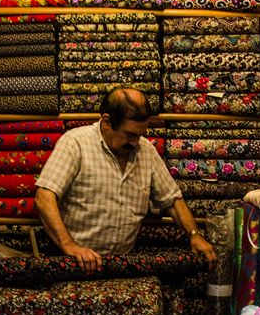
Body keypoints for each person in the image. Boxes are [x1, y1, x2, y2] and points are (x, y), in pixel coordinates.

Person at [35, 87, 217, 273]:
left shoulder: (146, 151)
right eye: (130, 134)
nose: (135, 142)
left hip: (120, 267)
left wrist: (194, 234)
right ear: (107, 122)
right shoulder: (75, 143)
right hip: (74, 264)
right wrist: (69, 246)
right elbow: (44, 197)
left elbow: (172, 199)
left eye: (140, 134)